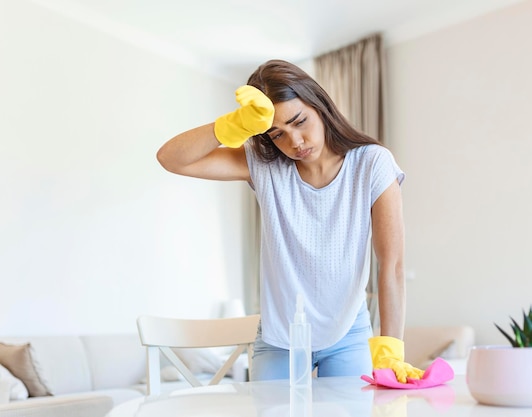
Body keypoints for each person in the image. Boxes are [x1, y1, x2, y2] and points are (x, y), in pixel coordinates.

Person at [156, 59, 423, 383]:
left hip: (348, 334)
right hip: (279, 336)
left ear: (320, 106)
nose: (295, 141)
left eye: (300, 121)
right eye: (277, 133)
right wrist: (234, 126)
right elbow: (170, 159)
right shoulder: (265, 165)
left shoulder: (371, 163)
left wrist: (390, 351)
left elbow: (392, 264)